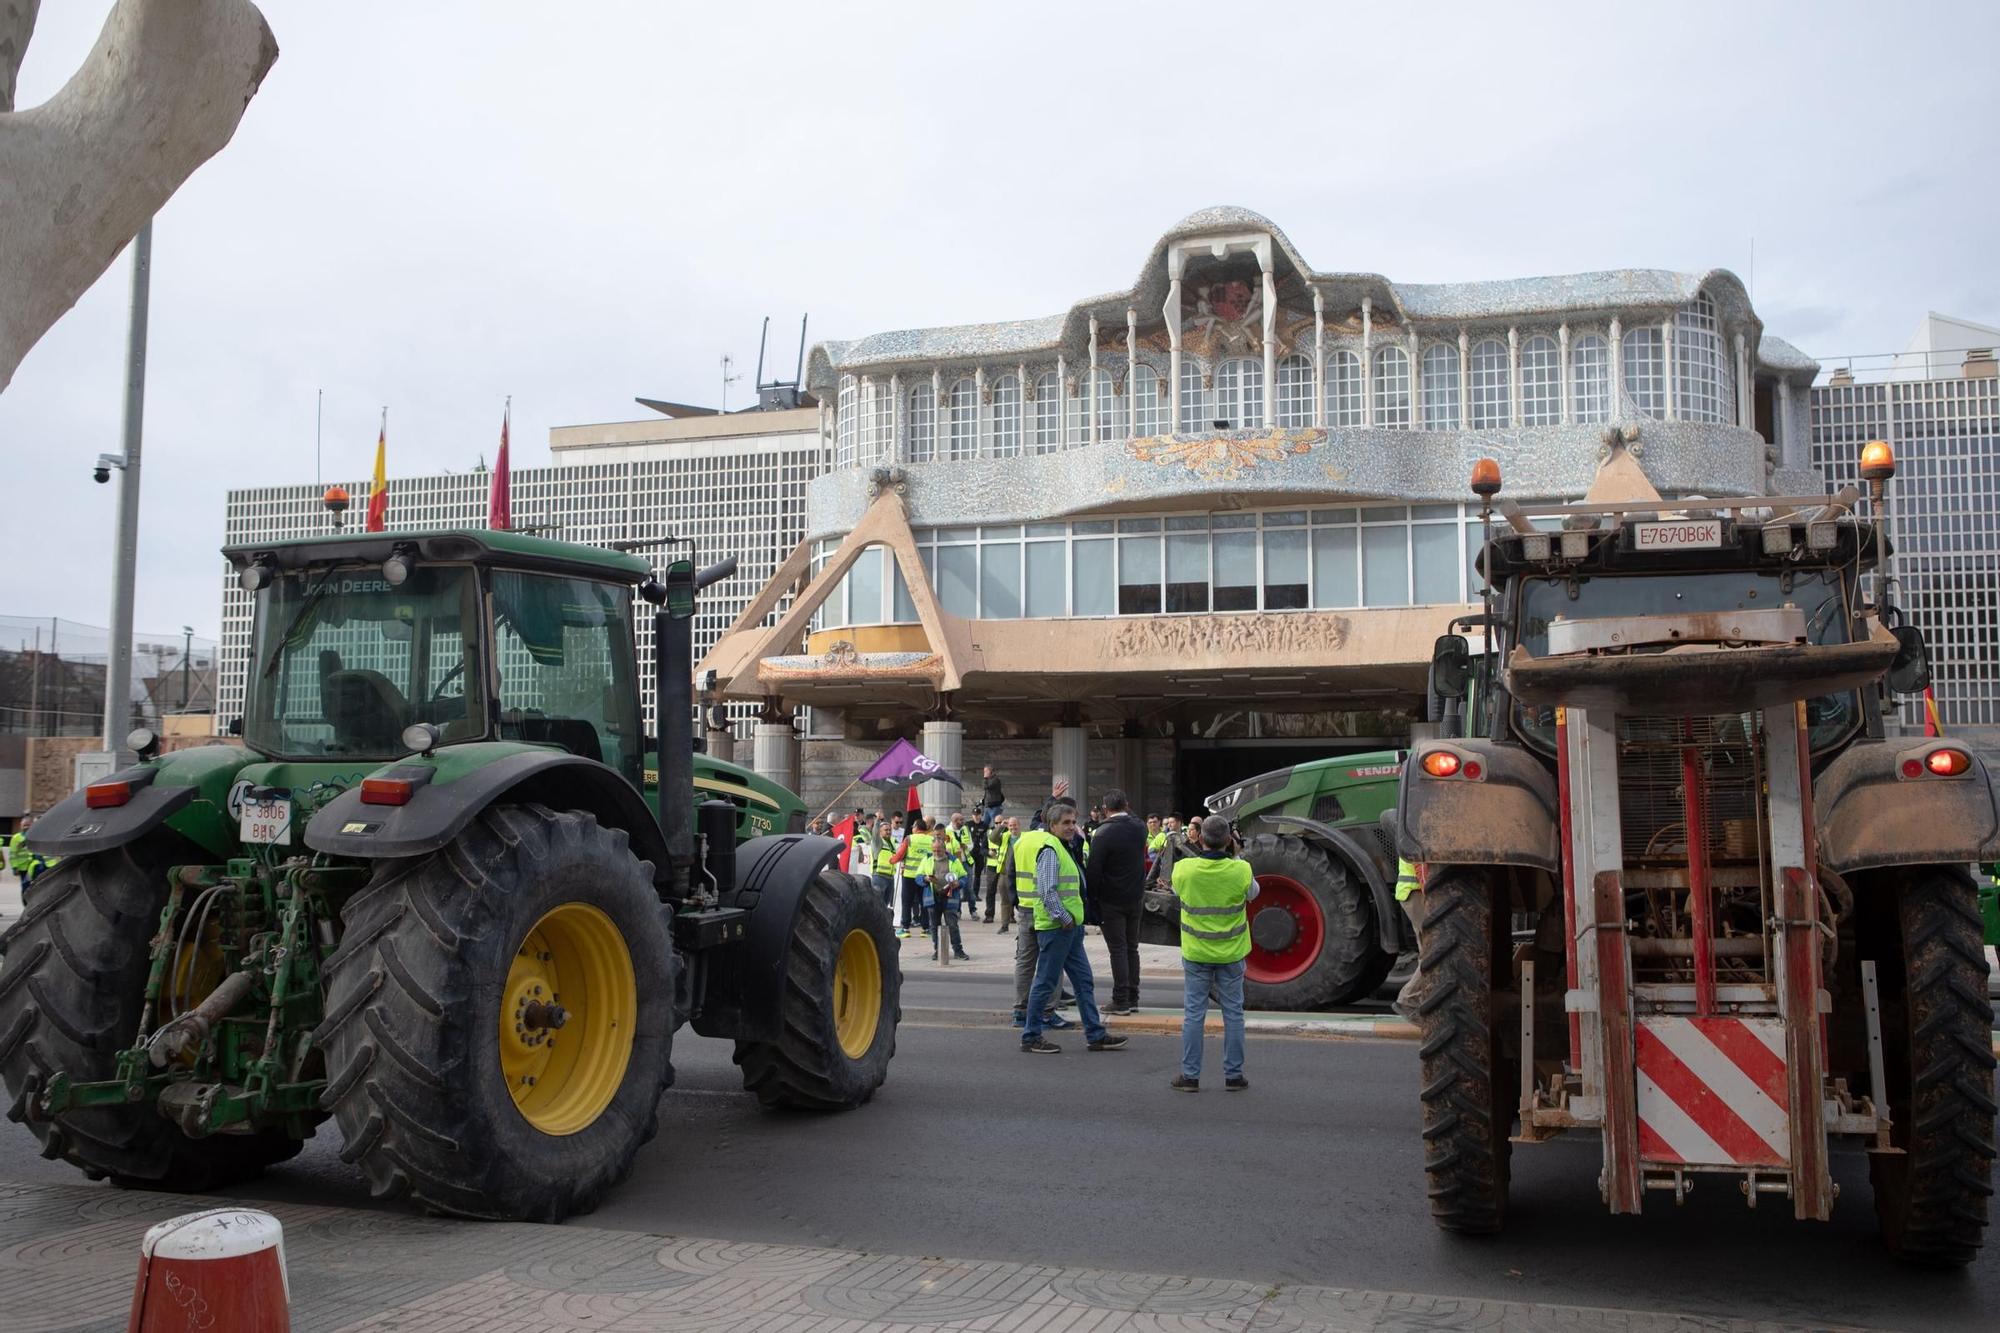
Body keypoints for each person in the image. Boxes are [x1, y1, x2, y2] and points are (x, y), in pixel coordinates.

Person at [1015, 801, 1126, 1055]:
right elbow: (1046, 891)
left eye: (1073, 822)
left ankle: (1095, 1034)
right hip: (1058, 928)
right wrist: (1064, 917)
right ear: (1052, 825)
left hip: (1069, 929)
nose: (1071, 827)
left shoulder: (1066, 848)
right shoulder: (1051, 850)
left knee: (1084, 981)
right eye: (1065, 823)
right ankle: (1031, 1036)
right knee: (1044, 982)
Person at [1170, 814, 1257, 1091]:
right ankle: (1233, 1076)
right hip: (1231, 954)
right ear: (1229, 841)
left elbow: (1176, 891)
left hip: (1196, 953)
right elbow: (1253, 893)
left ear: (1201, 839)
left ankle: (1190, 1076)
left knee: (1194, 1014)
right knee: (1233, 1014)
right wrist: (1238, 855)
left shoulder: (1184, 869)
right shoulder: (1241, 870)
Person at [1086, 788, 1148, 1016]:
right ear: (1127, 804)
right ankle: (1133, 997)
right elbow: (1132, 818)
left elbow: (1094, 870)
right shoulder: (1139, 827)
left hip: (1111, 900)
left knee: (1118, 950)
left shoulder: (1103, 834)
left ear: (1105, 809)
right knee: (1132, 948)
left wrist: (1091, 898)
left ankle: (1120, 999)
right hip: (1135, 897)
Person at [927, 837, 970, 961]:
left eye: (939, 851)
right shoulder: (927, 859)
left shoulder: (954, 860)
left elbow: (964, 877)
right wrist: (925, 879)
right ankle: (937, 950)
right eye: (934, 850)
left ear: (944, 849)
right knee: (934, 926)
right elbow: (918, 876)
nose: (936, 853)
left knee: (952, 925)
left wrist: (959, 883)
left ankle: (958, 951)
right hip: (933, 897)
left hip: (950, 897)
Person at [1393, 857, 1424, 1023]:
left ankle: (1420, 1000)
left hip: (1412, 892)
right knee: (1433, 952)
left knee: (1428, 950)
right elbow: (1421, 868)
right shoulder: (1417, 836)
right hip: (1416, 893)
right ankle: (1408, 999)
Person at [892, 818, 934, 939]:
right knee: (924, 902)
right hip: (924, 877)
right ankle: (926, 929)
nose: (911, 828)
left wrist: (892, 860)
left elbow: (900, 855)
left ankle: (905, 929)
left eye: (913, 826)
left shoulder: (909, 839)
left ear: (916, 827)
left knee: (907, 902)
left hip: (909, 876)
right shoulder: (931, 839)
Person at [994, 816, 1020, 933]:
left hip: (1020, 875)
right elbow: (992, 838)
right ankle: (1005, 925)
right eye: (1010, 825)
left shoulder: (1024, 838)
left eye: (1015, 825)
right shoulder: (1005, 837)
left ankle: (1026, 925)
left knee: (1022, 901)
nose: (1013, 827)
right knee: (1005, 901)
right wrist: (1000, 827)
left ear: (1019, 826)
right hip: (1004, 874)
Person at [871, 819, 896, 910]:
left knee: (885, 904)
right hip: (879, 877)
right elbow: (874, 833)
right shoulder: (878, 842)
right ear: (880, 832)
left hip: (890, 877)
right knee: (877, 904)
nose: (888, 832)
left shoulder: (891, 843)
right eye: (886, 830)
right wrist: (877, 820)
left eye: (890, 830)